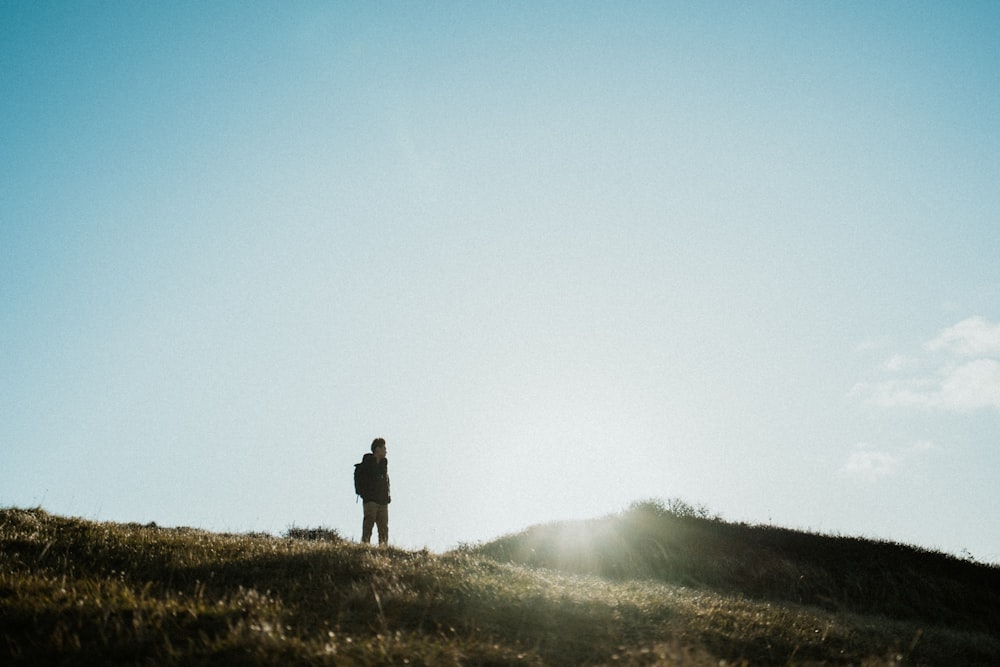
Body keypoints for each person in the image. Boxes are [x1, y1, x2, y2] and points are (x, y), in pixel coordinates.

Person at [357, 437, 391, 545]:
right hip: (370, 500)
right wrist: (365, 495)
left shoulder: (383, 465)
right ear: (377, 449)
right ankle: (365, 545)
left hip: (382, 501)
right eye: (384, 448)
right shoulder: (367, 464)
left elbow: (386, 482)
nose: (386, 450)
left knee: (384, 528)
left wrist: (387, 496)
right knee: (368, 524)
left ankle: (383, 549)